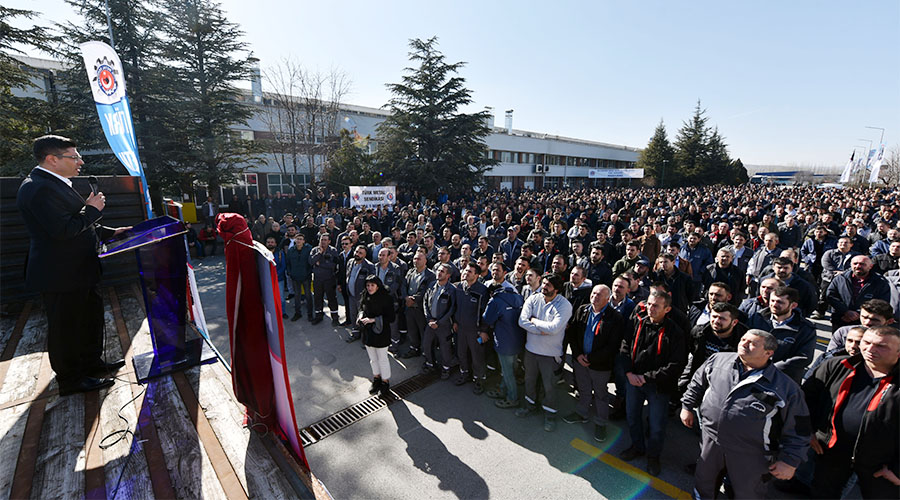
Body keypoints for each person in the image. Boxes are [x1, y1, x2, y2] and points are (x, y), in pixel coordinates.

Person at [16, 135, 129, 395]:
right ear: (52, 159)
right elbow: (63, 230)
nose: (81, 161)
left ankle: (91, 365)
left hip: (80, 271)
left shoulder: (56, 184)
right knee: (66, 328)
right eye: (74, 156)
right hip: (61, 274)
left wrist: (113, 232)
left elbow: (79, 224)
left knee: (88, 320)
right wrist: (92, 209)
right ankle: (71, 380)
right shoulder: (38, 188)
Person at [681, 330, 811, 499]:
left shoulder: (786, 388)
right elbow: (697, 383)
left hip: (752, 453)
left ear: (768, 353)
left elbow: (799, 428)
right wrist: (687, 406)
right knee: (704, 482)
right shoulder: (718, 360)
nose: (743, 344)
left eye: (752, 343)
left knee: (748, 492)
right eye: (743, 339)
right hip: (711, 441)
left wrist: (790, 461)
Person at [803, 326, 900, 499]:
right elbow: (805, 401)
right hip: (831, 454)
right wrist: (807, 431)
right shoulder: (836, 366)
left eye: (881, 346)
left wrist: (897, 471)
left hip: (879, 468)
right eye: (867, 342)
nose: (870, 349)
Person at [619, 289, 687, 475]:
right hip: (633, 380)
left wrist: (647, 377)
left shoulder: (675, 332)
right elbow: (625, 346)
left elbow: (676, 364)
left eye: (656, 306)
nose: (650, 308)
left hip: (658, 386)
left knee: (657, 425)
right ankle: (637, 446)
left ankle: (653, 456)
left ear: (667, 309)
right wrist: (629, 372)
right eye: (649, 304)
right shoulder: (637, 321)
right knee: (632, 417)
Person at [563, 284, 625, 442]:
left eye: (599, 295)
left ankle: (601, 423)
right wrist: (577, 355)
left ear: (607, 299)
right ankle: (582, 413)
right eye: (593, 293)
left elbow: (612, 345)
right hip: (580, 361)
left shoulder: (615, 318)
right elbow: (572, 333)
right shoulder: (582, 310)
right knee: (583, 389)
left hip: (600, 365)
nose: (594, 297)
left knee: (600, 394)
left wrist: (590, 359)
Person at [516, 273, 573, 431]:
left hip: (550, 354)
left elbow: (554, 328)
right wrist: (542, 329)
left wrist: (534, 321)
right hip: (531, 351)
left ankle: (550, 415)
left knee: (549, 386)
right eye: (544, 283)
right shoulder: (534, 298)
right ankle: (529, 406)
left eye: (548, 285)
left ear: (556, 289)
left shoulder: (564, 305)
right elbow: (522, 321)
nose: (543, 287)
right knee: (530, 381)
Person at [826, 255, 898, 332]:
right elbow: (831, 296)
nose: (858, 266)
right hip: (841, 318)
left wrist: (859, 314)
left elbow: (882, 302)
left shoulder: (880, 282)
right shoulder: (840, 279)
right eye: (855, 263)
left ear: (871, 266)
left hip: (867, 322)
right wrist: (845, 311)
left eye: (862, 264)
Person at [482, 282, 526, 409]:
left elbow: (488, 319)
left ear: (491, 293)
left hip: (504, 341)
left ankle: (512, 398)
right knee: (511, 369)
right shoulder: (518, 297)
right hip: (518, 339)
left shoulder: (495, 301)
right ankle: (502, 390)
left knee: (507, 373)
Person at [453, 262, 489, 392]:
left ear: (477, 275)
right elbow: (455, 306)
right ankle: (464, 374)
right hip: (461, 328)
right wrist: (455, 321)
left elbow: (485, 313)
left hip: (475, 331)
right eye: (466, 270)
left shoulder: (482, 290)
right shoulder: (459, 287)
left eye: (470, 272)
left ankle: (479, 379)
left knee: (477, 356)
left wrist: (483, 331)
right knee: (461, 353)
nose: (466, 273)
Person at [358, 275, 396, 399]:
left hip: (381, 333)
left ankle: (385, 382)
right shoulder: (365, 295)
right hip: (368, 332)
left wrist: (373, 320)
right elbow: (361, 307)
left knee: (382, 359)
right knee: (373, 359)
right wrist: (360, 316)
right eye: (368, 285)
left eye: (372, 285)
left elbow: (391, 318)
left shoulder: (386, 298)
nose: (369, 288)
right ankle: (376, 378)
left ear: (378, 286)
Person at [423, 263, 457, 379]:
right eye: (438, 270)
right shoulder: (432, 285)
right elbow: (425, 301)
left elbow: (452, 309)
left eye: (442, 271)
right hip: (430, 323)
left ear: (448, 275)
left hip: (443, 325)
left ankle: (446, 368)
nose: (439, 273)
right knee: (426, 344)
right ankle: (430, 364)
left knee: (445, 348)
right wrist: (429, 319)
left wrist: (439, 322)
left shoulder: (452, 290)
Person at [400, 251, 436, 359]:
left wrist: (414, 299)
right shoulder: (410, 272)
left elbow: (426, 291)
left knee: (423, 331)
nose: (416, 261)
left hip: (420, 309)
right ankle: (414, 348)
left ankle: (427, 353)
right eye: (415, 259)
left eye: (419, 259)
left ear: (425, 261)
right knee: (412, 330)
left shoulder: (430, 275)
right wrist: (406, 297)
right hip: (409, 307)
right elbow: (403, 285)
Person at [344, 244, 376, 342]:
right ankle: (355, 333)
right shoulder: (350, 262)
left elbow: (372, 283)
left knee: (363, 317)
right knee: (353, 315)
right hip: (351, 295)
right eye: (357, 252)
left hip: (362, 297)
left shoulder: (369, 266)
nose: (357, 254)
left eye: (360, 253)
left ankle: (365, 338)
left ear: (365, 255)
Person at [309, 233, 341, 325]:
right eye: (322, 239)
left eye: (325, 240)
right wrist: (320, 253)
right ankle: (319, 316)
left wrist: (320, 264)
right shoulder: (315, 250)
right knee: (318, 298)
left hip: (329, 279)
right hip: (317, 279)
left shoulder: (333, 251)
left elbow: (333, 265)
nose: (323, 241)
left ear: (329, 241)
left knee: (331, 298)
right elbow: (311, 262)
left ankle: (335, 317)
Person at [285, 233, 313, 321]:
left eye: (301, 239)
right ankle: (298, 313)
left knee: (308, 295)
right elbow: (288, 263)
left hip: (306, 276)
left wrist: (309, 273)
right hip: (295, 276)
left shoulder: (308, 249)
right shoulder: (291, 250)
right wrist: (290, 273)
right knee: (297, 296)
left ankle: (310, 314)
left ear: (304, 241)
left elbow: (311, 262)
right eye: (297, 239)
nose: (299, 241)